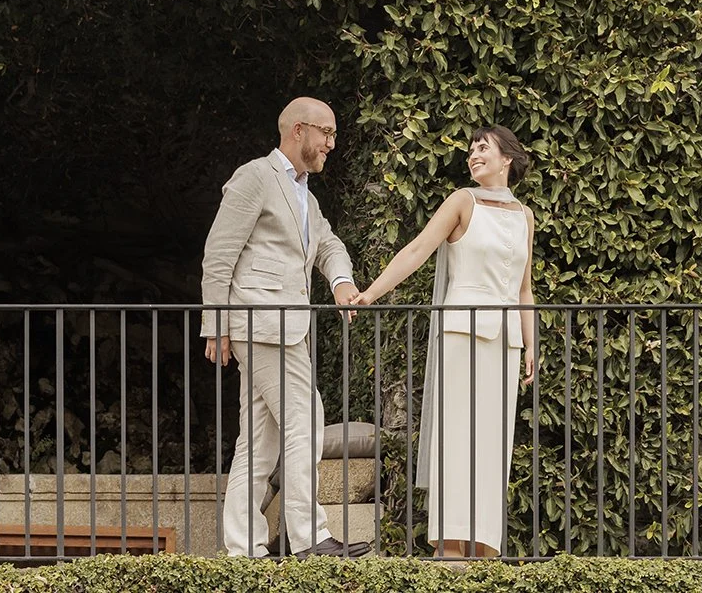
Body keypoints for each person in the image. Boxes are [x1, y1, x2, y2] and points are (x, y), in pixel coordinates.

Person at [200, 96, 370, 559]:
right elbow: (218, 255)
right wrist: (216, 325)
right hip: (261, 321)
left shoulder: (305, 194)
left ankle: (243, 552)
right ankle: (309, 538)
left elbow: (329, 243)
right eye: (326, 133)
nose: (331, 143)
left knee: (258, 441)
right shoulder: (255, 177)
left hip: (283, 325)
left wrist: (340, 282)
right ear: (299, 131)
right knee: (306, 419)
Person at [356, 125, 536, 559]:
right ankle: (450, 545)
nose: (473, 155)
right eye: (471, 149)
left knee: (493, 443)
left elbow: (524, 288)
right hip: (460, 335)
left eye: (483, 148)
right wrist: (370, 295)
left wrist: (533, 346)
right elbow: (418, 250)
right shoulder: (461, 201)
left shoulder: (525, 215)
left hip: (506, 342)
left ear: (506, 158)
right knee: (458, 437)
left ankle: (484, 544)